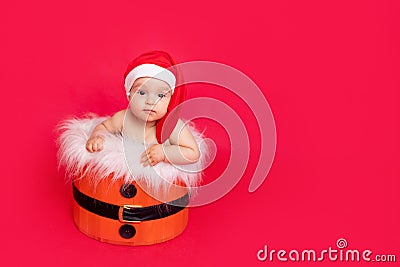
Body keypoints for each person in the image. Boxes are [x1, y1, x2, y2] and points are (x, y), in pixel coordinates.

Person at [85, 51, 200, 167]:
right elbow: (104, 126)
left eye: (160, 95)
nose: (150, 102)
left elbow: (193, 153)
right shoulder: (123, 118)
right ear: (129, 95)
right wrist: (97, 136)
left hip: (156, 183)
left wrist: (164, 153)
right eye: (142, 92)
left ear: (171, 99)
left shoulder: (173, 126)